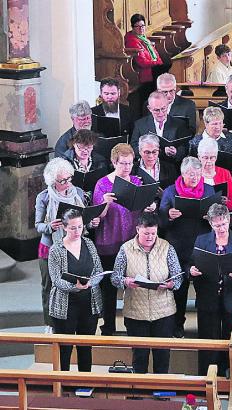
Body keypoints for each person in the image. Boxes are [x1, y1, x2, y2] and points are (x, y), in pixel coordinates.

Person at [93, 143, 156, 336]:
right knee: (109, 287)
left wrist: (149, 207)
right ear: (114, 162)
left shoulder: (136, 182)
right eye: (123, 163)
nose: (127, 167)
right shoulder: (102, 184)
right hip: (108, 242)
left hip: (132, 242)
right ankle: (108, 326)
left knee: (133, 286)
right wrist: (105, 202)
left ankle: (133, 326)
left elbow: (141, 207)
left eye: (130, 163)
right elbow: (98, 216)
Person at [112, 212, 182, 374]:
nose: (150, 237)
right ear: (138, 229)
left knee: (162, 356)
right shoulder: (126, 249)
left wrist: (172, 284)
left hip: (163, 311)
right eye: (146, 233)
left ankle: (161, 392)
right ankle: (138, 394)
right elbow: (115, 277)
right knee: (140, 356)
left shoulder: (166, 247)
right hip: (136, 312)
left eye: (153, 233)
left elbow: (178, 276)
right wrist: (125, 281)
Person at [35, 158, 98, 334]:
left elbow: (84, 219)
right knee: (50, 285)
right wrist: (50, 226)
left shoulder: (78, 192)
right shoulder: (44, 197)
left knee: (75, 281)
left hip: (76, 245)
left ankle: (75, 318)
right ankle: (50, 322)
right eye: (62, 181)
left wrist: (91, 222)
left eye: (69, 178)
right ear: (52, 181)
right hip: (51, 247)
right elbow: (38, 225)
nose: (67, 183)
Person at [190, 204, 232, 376]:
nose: (221, 228)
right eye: (217, 225)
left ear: (229, 220)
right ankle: (208, 378)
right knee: (208, 341)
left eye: (224, 224)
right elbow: (191, 264)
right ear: (210, 223)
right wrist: (192, 271)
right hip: (208, 297)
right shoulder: (201, 240)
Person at [159, 157, 218, 338]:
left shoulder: (208, 190)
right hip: (178, 246)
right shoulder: (170, 192)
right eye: (191, 174)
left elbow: (217, 215)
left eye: (198, 174)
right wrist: (168, 215)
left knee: (205, 287)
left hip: (202, 245)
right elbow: (160, 223)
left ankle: (206, 327)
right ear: (183, 174)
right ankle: (178, 325)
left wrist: (211, 218)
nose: (194, 177)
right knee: (179, 289)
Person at [48, 209, 103, 371]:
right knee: (65, 349)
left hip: (89, 304)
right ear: (64, 227)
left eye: (80, 227)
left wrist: (91, 283)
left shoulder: (89, 244)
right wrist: (75, 287)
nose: (77, 231)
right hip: (66, 306)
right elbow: (56, 280)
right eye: (73, 228)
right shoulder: (56, 250)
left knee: (85, 348)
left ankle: (84, 385)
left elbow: (99, 270)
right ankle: (62, 386)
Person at [130, 91, 190, 163]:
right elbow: (133, 147)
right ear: (149, 108)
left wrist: (176, 152)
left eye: (163, 109)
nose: (161, 113)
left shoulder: (179, 124)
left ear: (167, 105)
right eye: (156, 110)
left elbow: (185, 148)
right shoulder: (140, 125)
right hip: (147, 166)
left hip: (171, 168)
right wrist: (151, 151)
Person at [124, 13, 164, 114]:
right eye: (138, 26)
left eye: (143, 26)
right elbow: (142, 62)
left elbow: (156, 54)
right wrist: (156, 62)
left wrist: (158, 62)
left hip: (152, 69)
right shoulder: (132, 41)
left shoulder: (143, 39)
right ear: (133, 27)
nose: (141, 28)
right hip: (144, 73)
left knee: (167, 68)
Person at [197, 138, 232, 211]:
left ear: (216, 157)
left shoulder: (225, 173)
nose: (209, 161)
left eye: (212, 158)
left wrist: (226, 202)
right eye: (205, 158)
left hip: (220, 216)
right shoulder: (193, 174)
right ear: (199, 157)